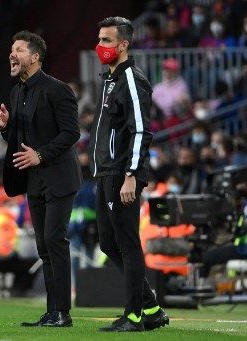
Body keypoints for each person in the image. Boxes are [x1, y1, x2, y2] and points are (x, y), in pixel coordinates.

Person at [0, 30, 81, 327]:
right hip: (33, 179)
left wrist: (40, 155)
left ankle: (63, 313)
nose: (12, 54)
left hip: (59, 177)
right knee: (43, 245)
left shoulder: (58, 90)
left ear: (35, 56)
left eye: (18, 49)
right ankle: (52, 310)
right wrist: (6, 127)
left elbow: (72, 133)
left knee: (55, 239)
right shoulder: (17, 92)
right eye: (11, 49)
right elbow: (19, 138)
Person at [88, 17, 169, 332]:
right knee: (109, 244)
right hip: (105, 172)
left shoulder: (132, 80)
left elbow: (140, 132)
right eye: (99, 39)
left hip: (122, 174)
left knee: (127, 243)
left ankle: (134, 315)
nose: (101, 46)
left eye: (107, 40)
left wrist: (131, 175)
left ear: (124, 44)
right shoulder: (109, 80)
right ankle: (150, 306)